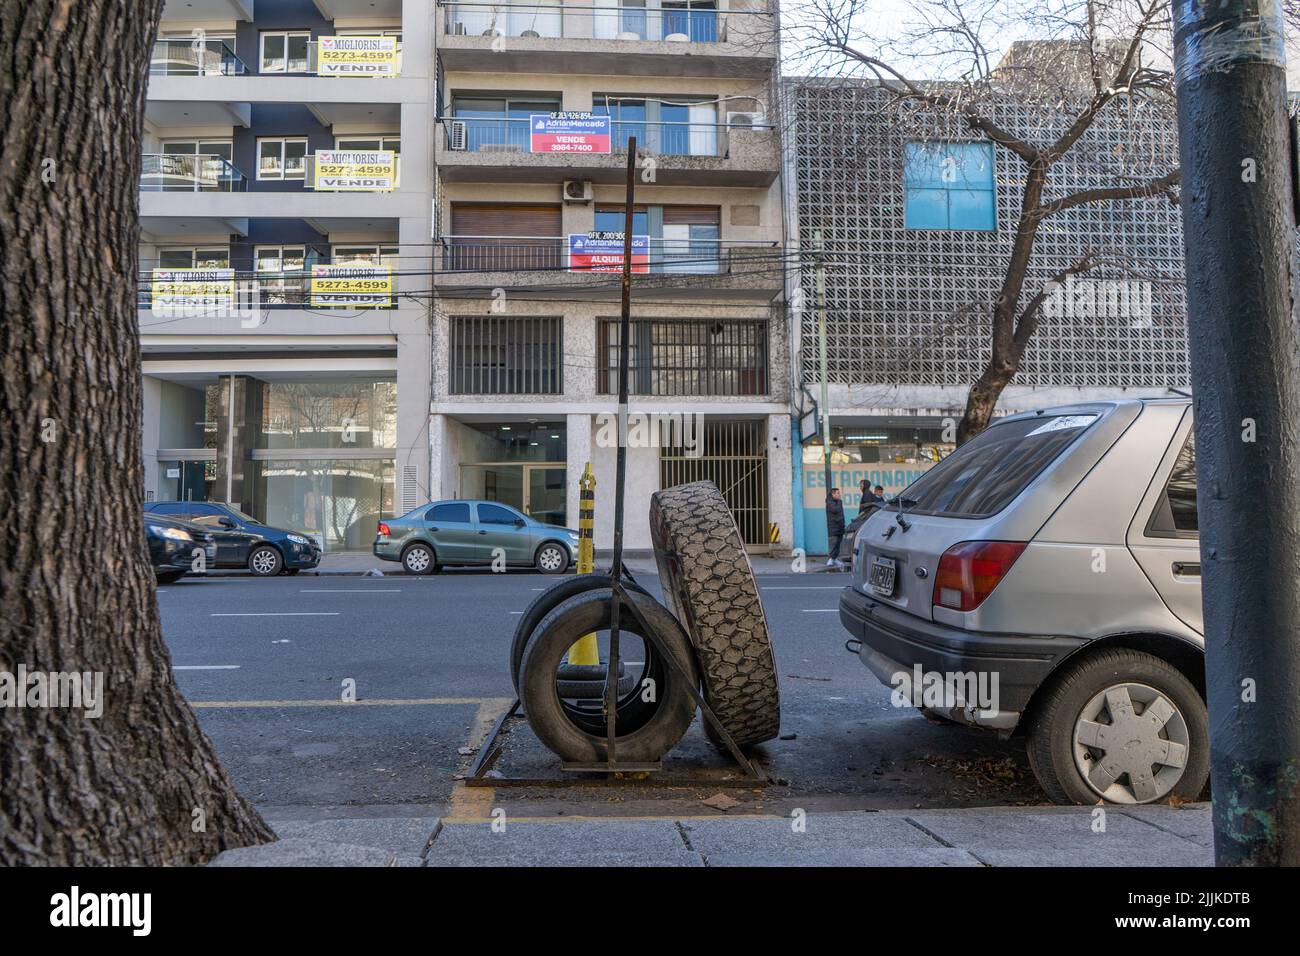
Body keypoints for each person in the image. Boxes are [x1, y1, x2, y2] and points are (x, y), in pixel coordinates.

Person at [826, 487, 846, 566]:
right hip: (833, 526)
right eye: (837, 493)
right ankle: (831, 559)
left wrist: (843, 524)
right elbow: (835, 510)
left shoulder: (838, 502)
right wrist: (839, 502)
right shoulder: (830, 502)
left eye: (839, 493)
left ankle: (834, 559)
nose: (839, 495)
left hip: (840, 526)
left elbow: (841, 514)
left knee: (838, 544)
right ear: (833, 494)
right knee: (833, 543)